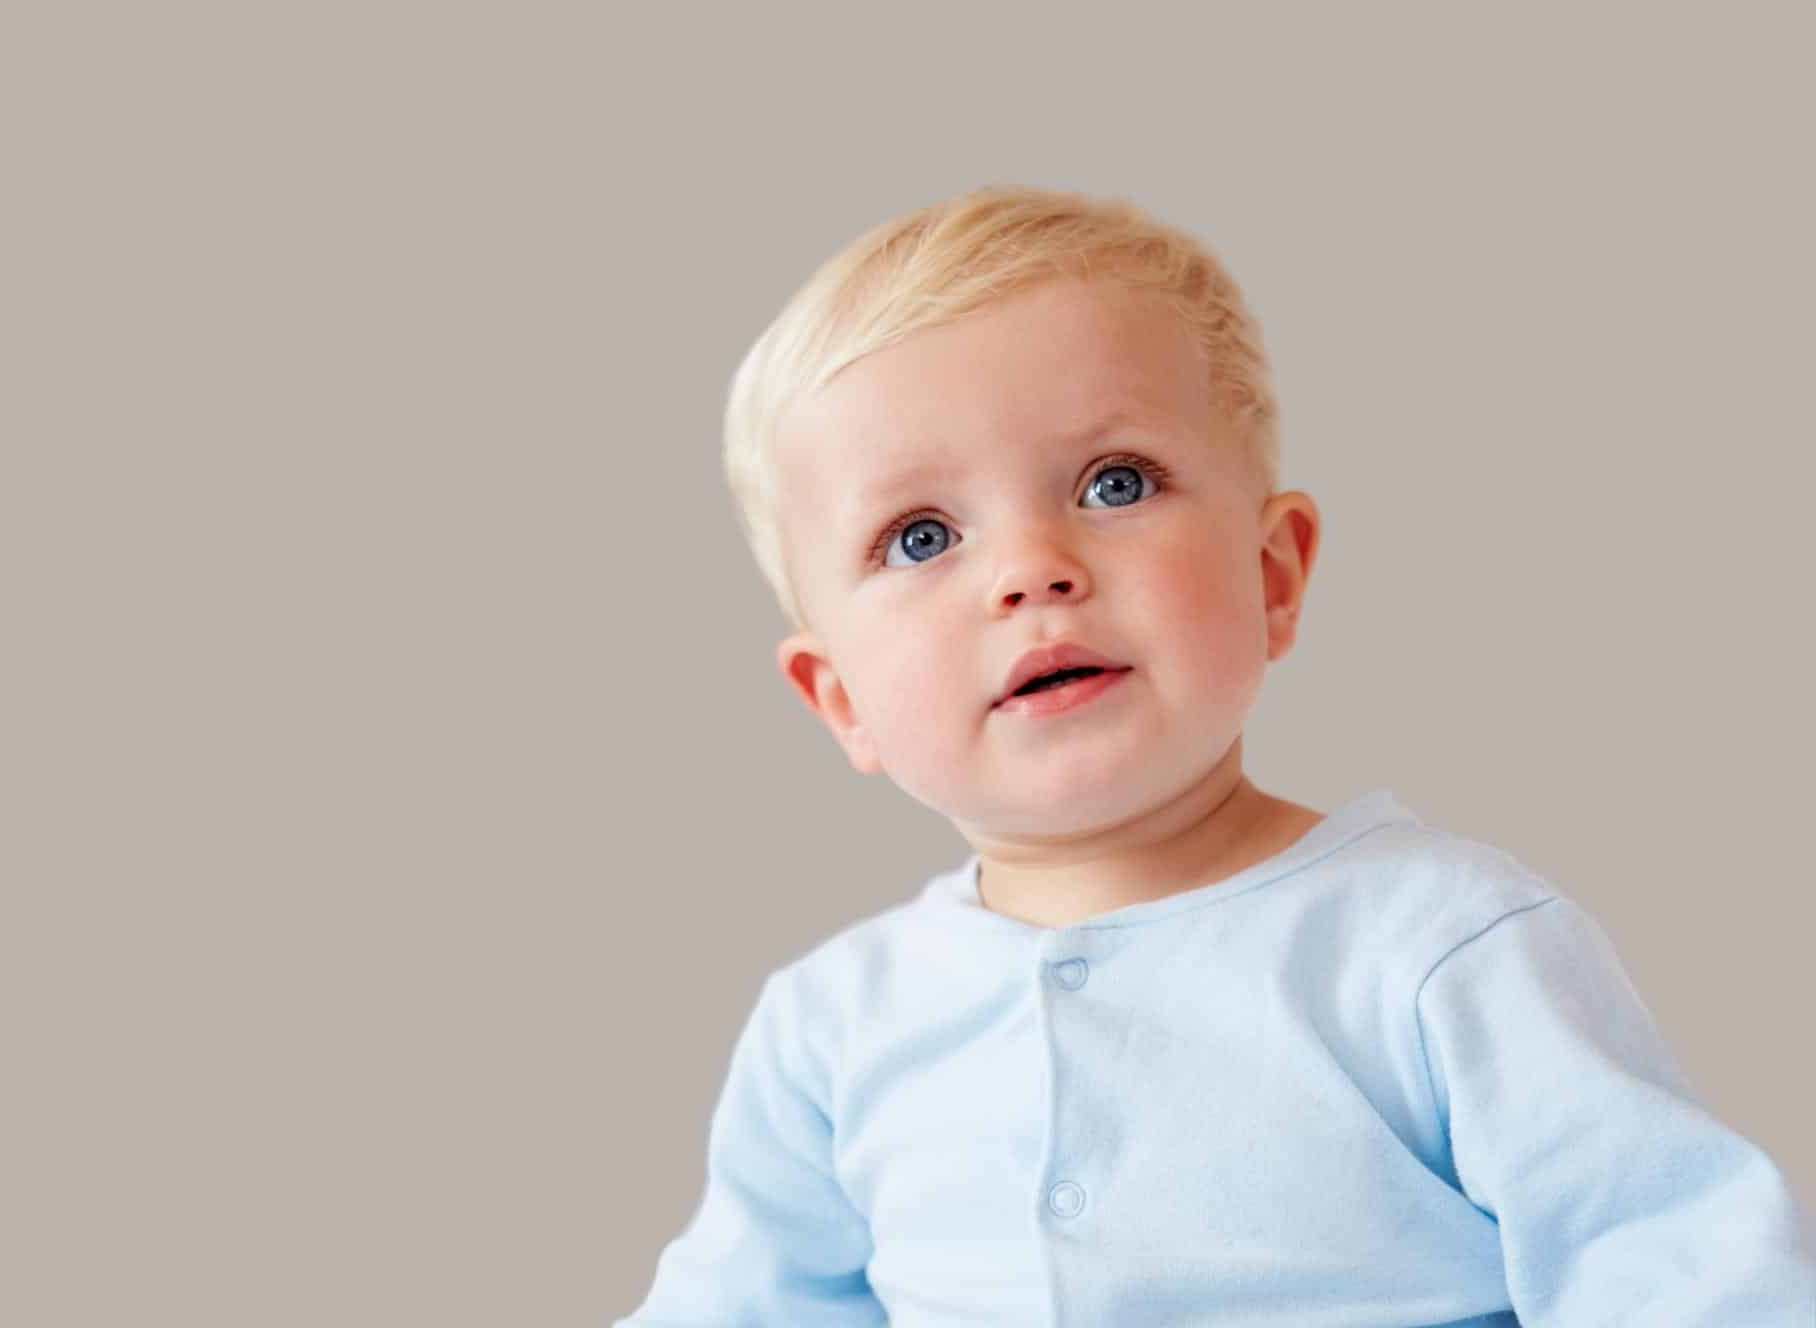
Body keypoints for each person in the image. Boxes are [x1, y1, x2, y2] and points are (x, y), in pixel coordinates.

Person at [615, 185, 1816, 1325]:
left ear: (1271, 573)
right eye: (919, 535)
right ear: (840, 701)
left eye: (1113, 481)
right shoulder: (830, 1026)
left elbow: (1683, 1271)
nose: (1030, 567)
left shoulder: (1434, 944)